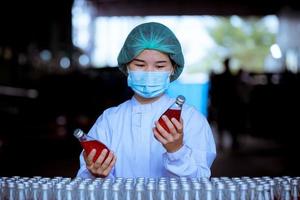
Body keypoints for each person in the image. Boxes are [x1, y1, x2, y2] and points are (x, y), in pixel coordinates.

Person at [76, 22, 216, 178]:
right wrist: (97, 173)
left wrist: (177, 150)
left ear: (173, 69)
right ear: (127, 66)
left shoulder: (192, 120)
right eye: (140, 64)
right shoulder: (109, 121)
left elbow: (198, 183)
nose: (149, 72)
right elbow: (86, 179)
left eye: (160, 66)